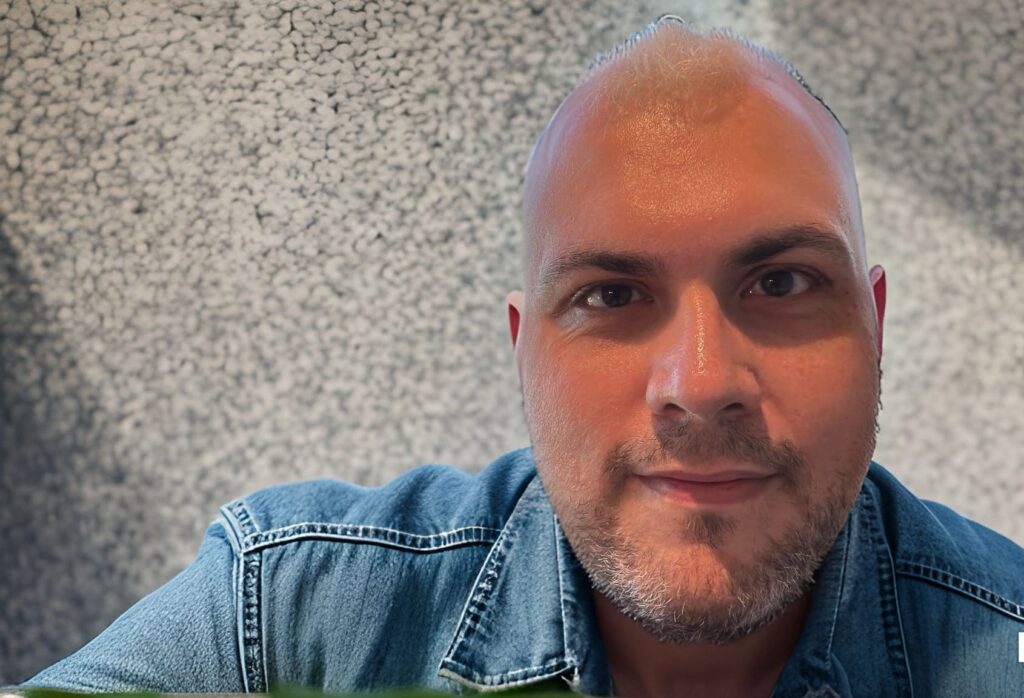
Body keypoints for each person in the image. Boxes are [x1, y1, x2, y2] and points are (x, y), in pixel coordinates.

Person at [18, 15, 1024, 698]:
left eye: (783, 282)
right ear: (523, 349)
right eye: (612, 295)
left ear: (875, 324)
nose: (701, 382)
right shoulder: (286, 618)